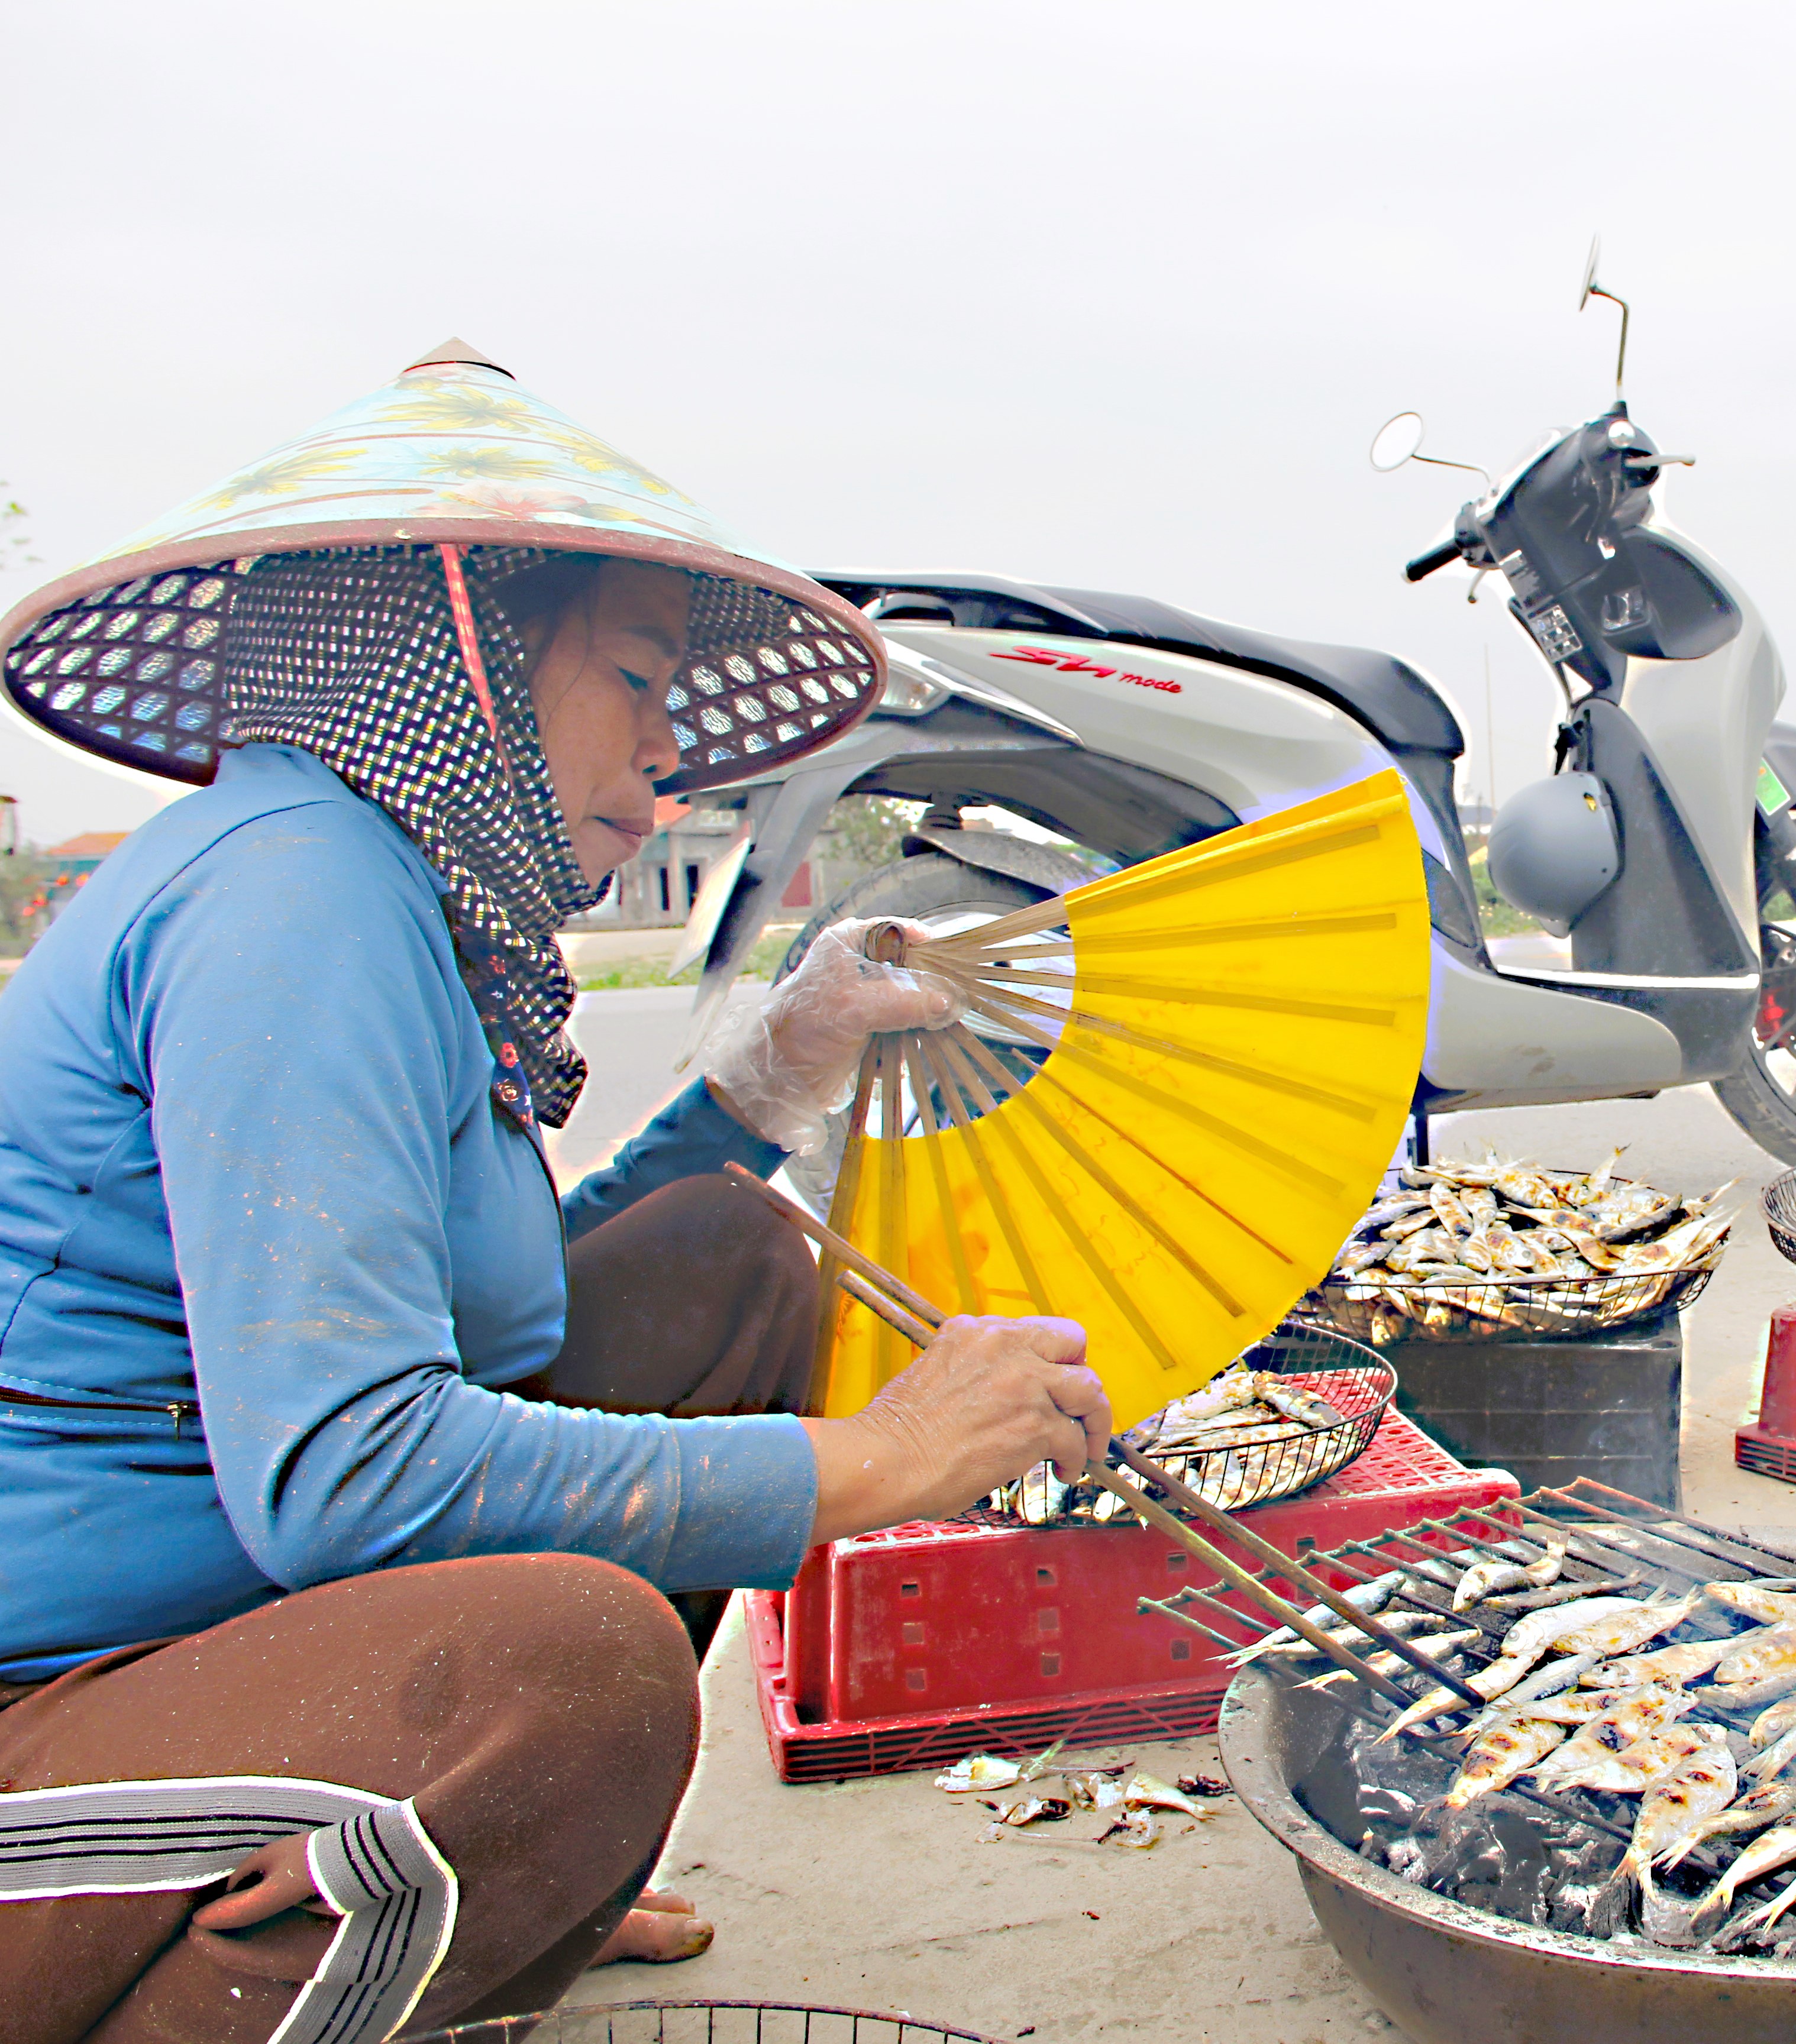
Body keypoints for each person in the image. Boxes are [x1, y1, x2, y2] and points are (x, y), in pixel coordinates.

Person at [0, 342, 1112, 2043]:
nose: (668, 766)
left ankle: (479, 1883)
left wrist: (778, 1068)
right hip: (52, 1704)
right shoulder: (295, 907)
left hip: (220, 1619)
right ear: (457, 661)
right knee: (572, 1672)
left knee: (722, 1258)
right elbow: (343, 1468)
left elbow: (507, 1307)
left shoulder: (383, 891)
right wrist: (876, 1459)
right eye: (636, 684)